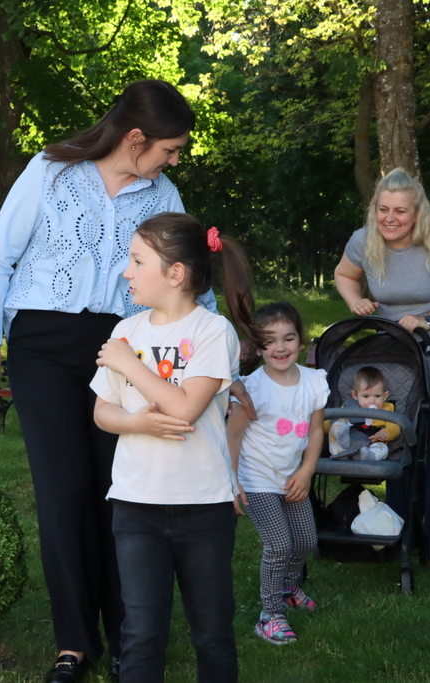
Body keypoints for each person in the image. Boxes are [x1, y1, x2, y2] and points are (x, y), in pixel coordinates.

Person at [0, 80, 219, 682]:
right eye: (169, 149)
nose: (173, 160)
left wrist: (215, 355)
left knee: (119, 492)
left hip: (124, 348)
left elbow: (186, 278)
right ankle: (74, 644)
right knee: (63, 494)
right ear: (136, 138)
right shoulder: (51, 171)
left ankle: (132, 638)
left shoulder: (163, 193)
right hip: (42, 346)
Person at [90, 214, 263, 683]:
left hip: (203, 508)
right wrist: (136, 422)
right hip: (136, 505)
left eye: (137, 261)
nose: (126, 272)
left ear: (176, 273)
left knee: (211, 631)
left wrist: (130, 364)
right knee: (141, 633)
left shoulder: (212, 331)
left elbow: (186, 407)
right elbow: (103, 412)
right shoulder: (126, 331)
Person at [334, 168, 430, 559]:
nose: (390, 218)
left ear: (417, 213)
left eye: (400, 211)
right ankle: (400, 528)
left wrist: (428, 319)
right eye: (383, 209)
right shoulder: (363, 240)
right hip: (397, 350)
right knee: (399, 432)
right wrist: (355, 301)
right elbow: (344, 274)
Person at [226, 301, 328, 646]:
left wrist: (307, 471)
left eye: (288, 338)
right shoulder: (251, 389)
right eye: (269, 341)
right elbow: (232, 437)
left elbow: (316, 431)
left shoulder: (314, 382)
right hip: (257, 480)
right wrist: (233, 481)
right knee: (280, 545)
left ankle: (287, 589)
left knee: (306, 541)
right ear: (258, 347)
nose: (280, 348)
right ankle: (269, 616)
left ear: (301, 341)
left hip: (292, 478)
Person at [326, 366, 402, 461]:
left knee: (382, 448)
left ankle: (369, 456)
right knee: (336, 422)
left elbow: (395, 427)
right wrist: (317, 425)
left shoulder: (386, 409)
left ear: (385, 396)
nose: (372, 401)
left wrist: (385, 433)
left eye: (377, 396)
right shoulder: (349, 406)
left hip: (372, 443)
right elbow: (330, 421)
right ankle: (340, 439)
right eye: (366, 396)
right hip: (348, 441)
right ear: (355, 395)